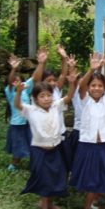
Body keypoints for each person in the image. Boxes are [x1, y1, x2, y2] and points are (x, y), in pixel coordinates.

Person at [14, 67, 78, 209]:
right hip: (40, 152)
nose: (47, 99)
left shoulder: (56, 107)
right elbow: (17, 105)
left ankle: (48, 203)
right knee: (44, 180)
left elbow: (69, 96)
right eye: (42, 96)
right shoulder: (31, 110)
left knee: (56, 177)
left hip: (55, 150)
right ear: (35, 99)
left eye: (49, 95)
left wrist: (72, 82)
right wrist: (18, 92)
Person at [69, 51, 105, 209]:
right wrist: (91, 70)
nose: (97, 88)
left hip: (104, 146)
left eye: (100, 85)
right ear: (88, 88)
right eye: (93, 85)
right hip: (87, 146)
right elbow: (81, 86)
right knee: (91, 179)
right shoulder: (84, 100)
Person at [4, 48, 47, 172]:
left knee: (32, 144)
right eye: (14, 81)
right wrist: (13, 69)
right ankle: (12, 165)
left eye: (19, 81)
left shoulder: (25, 90)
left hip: (28, 123)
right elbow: (11, 80)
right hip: (17, 125)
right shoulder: (11, 92)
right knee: (19, 147)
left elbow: (34, 77)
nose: (17, 83)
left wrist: (41, 63)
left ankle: (34, 164)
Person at [40, 45, 76, 173]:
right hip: (47, 135)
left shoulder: (56, 91)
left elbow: (63, 74)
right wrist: (41, 63)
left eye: (53, 80)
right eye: (48, 80)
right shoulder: (38, 95)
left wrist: (63, 58)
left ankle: (63, 185)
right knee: (51, 162)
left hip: (61, 132)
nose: (52, 83)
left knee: (65, 159)